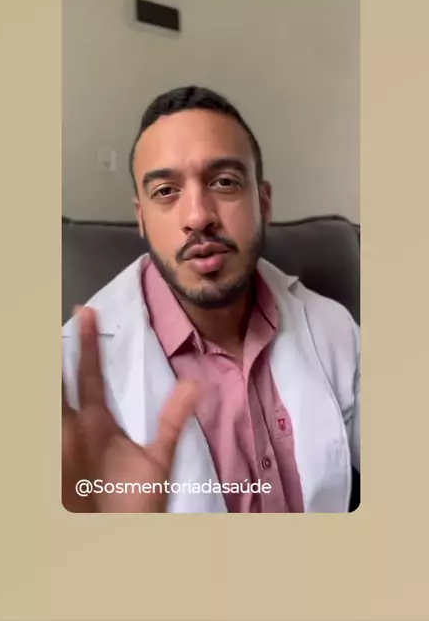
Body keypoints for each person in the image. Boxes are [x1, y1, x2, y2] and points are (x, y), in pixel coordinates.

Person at [62, 85, 360, 513]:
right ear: (141, 218)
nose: (198, 216)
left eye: (224, 182)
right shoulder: (69, 375)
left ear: (264, 203)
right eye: (165, 191)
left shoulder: (335, 328)